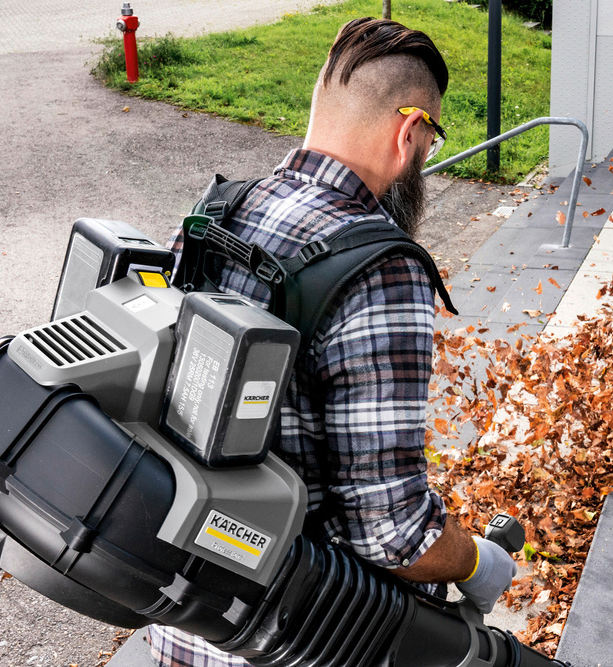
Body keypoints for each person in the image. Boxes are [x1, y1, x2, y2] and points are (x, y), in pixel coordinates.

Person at [148, 17, 516, 667]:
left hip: (186, 621)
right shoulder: (378, 266)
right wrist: (477, 561)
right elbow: (391, 531)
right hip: (301, 639)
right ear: (410, 134)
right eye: (431, 137)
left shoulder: (220, 213)